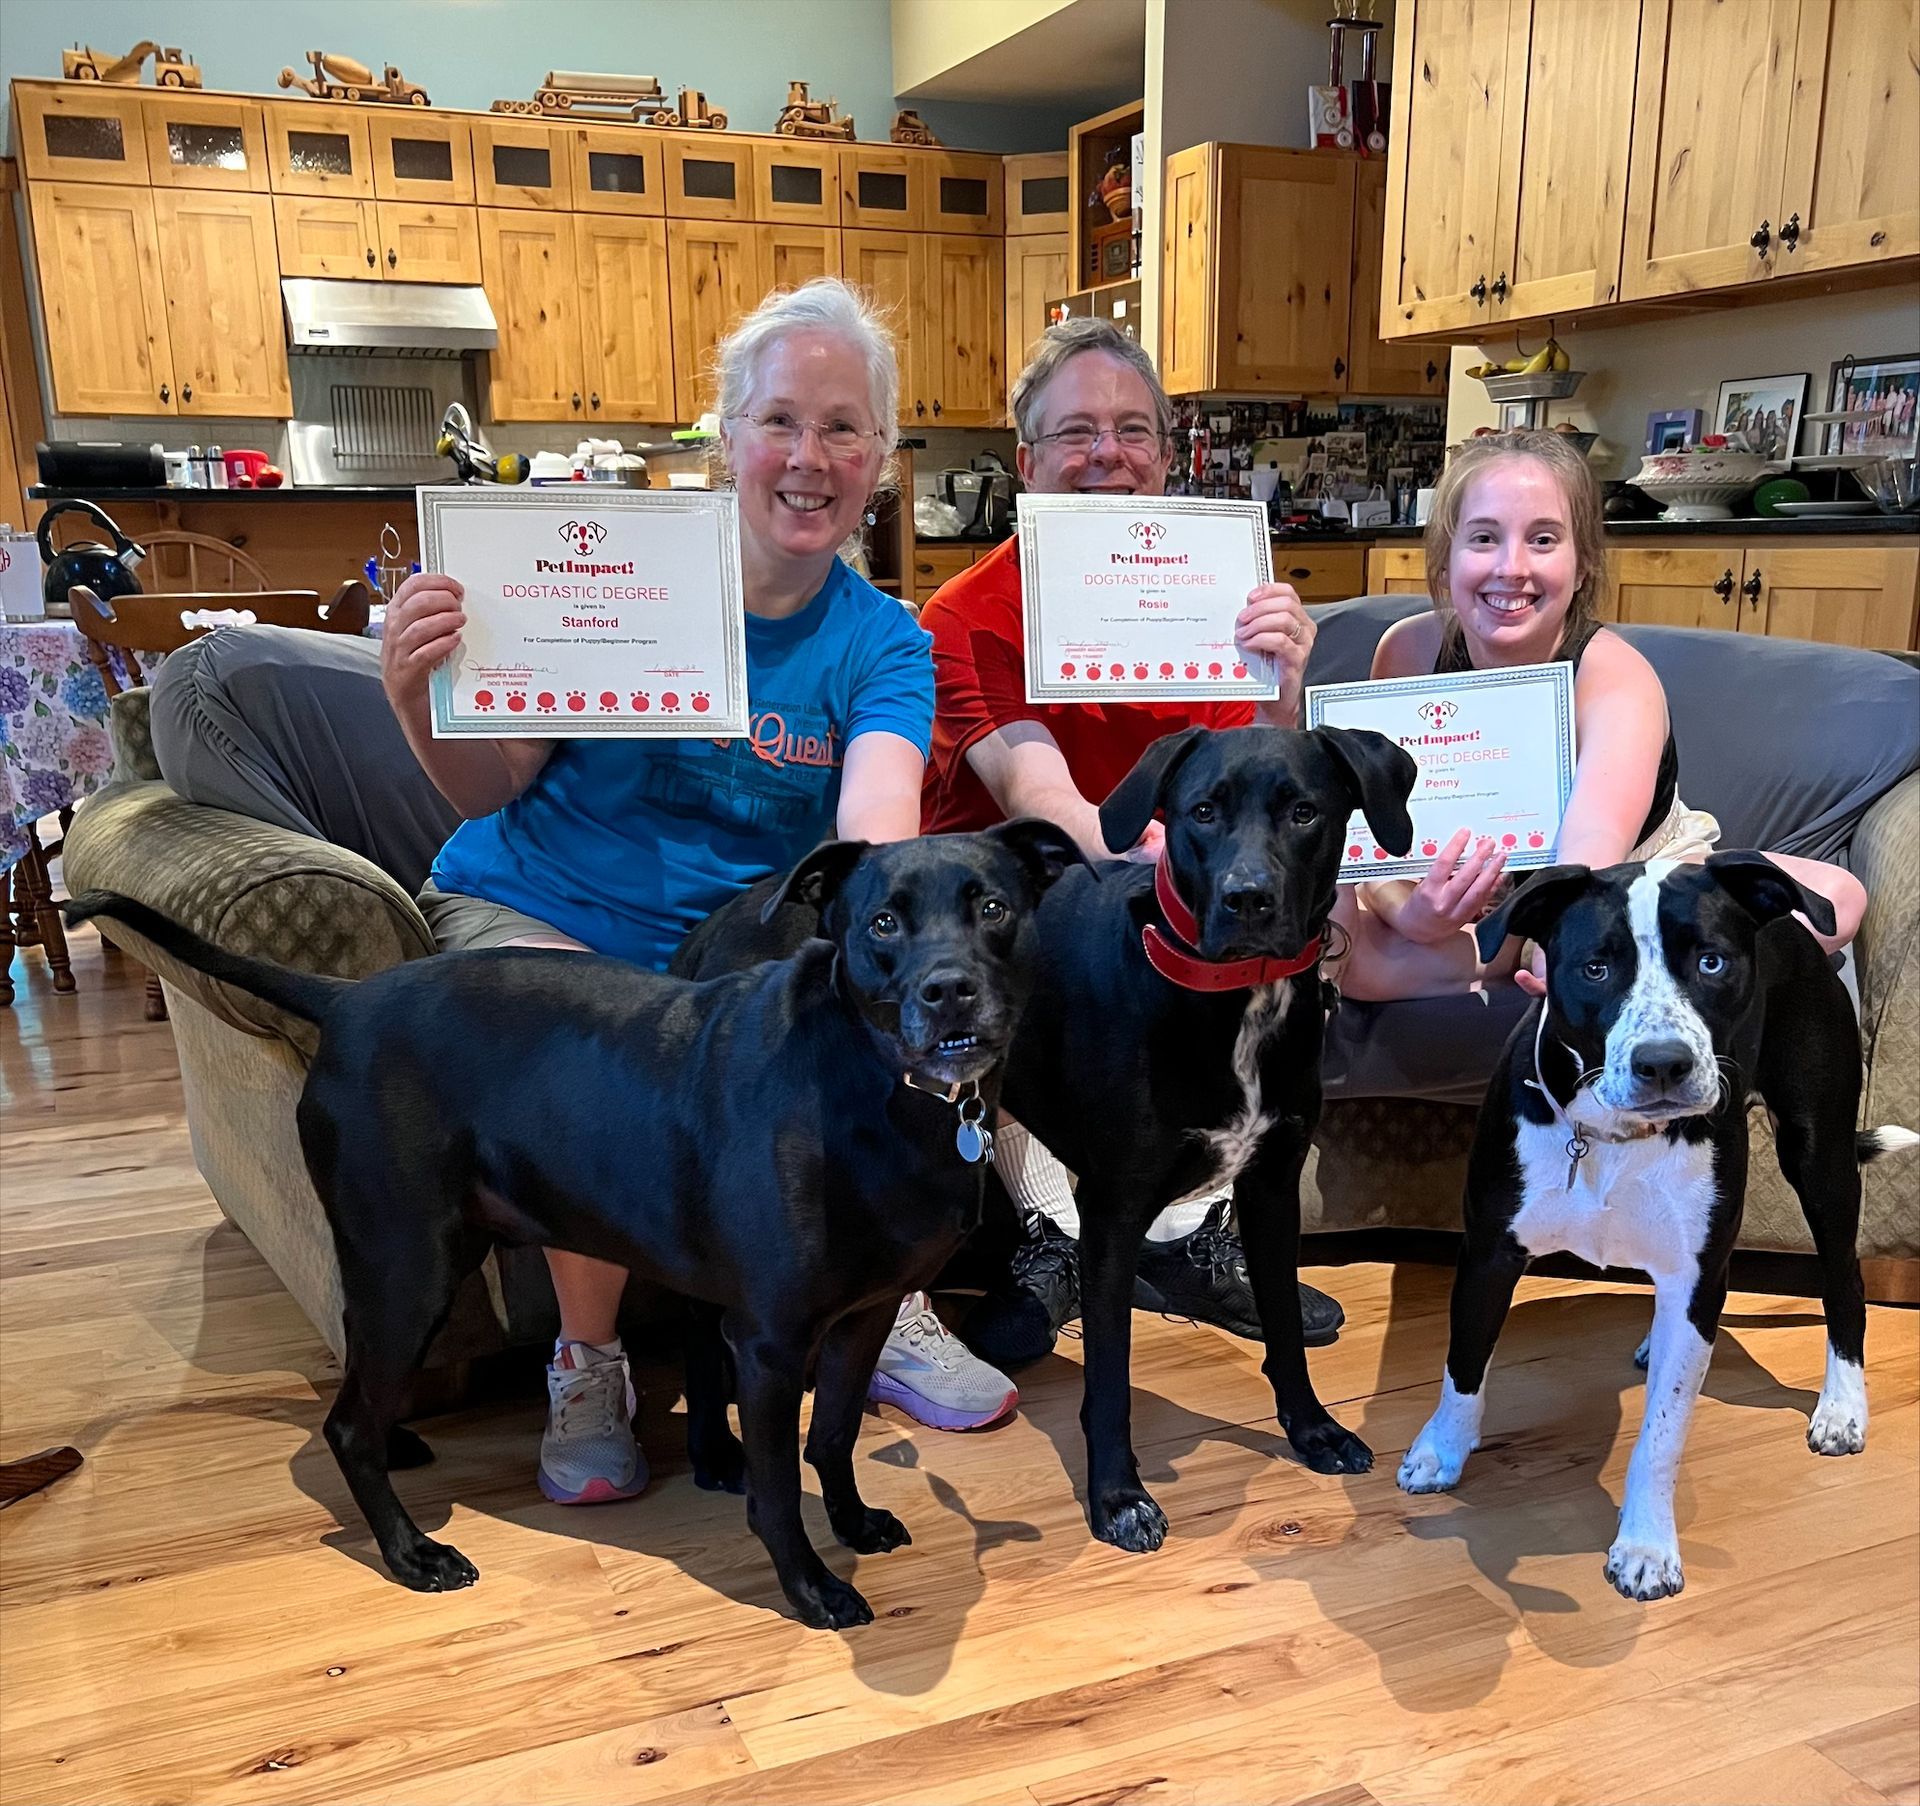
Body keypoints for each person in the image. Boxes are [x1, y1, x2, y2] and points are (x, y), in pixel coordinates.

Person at [381, 278, 1015, 1505]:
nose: (809, 457)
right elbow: (483, 790)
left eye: (845, 428)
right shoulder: (609, 579)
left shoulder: (885, 642)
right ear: (724, 439)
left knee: (857, 1015)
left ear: (880, 458)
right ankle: (590, 1358)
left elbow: (877, 832)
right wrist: (416, 693)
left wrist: (883, 941)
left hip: (735, 953)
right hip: (540, 908)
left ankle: (886, 1301)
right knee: (597, 1034)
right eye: (781, 421)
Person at [918, 316, 1346, 1369]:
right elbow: (1037, 794)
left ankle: (1184, 1234)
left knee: (1280, 929)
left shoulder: (1215, 593)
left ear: (1165, 452)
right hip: (1028, 893)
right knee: (1098, 952)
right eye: (1074, 434)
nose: (1105, 455)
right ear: (1027, 464)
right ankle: (1052, 1236)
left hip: (1165, 887)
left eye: (1131, 430)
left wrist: (1282, 679)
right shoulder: (965, 616)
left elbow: (1263, 782)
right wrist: (1157, 876)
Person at [1330, 427, 1866, 1006]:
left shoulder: (1614, 678)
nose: (1511, 567)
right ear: (1446, 558)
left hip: (1613, 875)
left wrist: (1546, 934)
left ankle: (1536, 951)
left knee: (1838, 897)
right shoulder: (1407, 652)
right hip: (1455, 888)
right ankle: (1524, 953)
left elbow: (1591, 854)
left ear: (1582, 563)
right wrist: (1412, 913)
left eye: (1543, 540)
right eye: (1483, 538)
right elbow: (1372, 841)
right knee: (1350, 959)